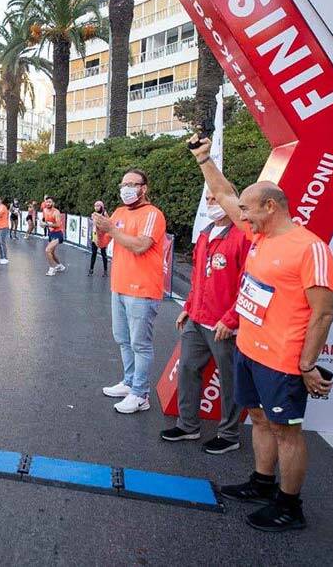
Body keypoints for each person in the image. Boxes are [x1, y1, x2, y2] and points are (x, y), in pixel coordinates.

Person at [189, 136, 333, 532]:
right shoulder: (260, 236)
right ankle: (261, 482)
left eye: (248, 212)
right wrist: (204, 159)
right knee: (257, 418)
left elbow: (323, 314)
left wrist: (307, 365)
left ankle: (289, 506)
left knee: (287, 432)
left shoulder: (310, 248)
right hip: (249, 352)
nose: (242, 218)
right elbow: (223, 193)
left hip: (283, 361)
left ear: (270, 207)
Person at [164, 188, 250, 454]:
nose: (213, 203)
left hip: (224, 325)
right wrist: (188, 308)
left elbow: (248, 284)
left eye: (218, 198)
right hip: (197, 320)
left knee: (229, 379)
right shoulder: (204, 234)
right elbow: (198, 278)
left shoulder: (242, 237)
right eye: (209, 199)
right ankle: (188, 425)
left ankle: (229, 434)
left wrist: (231, 319)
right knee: (188, 368)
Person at [93, 170, 166, 414]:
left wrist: (110, 229)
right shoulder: (119, 212)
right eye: (123, 184)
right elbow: (102, 243)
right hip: (119, 287)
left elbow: (140, 245)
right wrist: (100, 228)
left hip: (142, 290)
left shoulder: (152, 214)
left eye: (132, 184)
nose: (126, 189)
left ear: (144, 188)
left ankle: (140, 394)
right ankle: (129, 382)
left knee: (140, 344)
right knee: (122, 339)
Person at [41, 197, 66, 276]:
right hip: (51, 233)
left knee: (47, 250)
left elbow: (58, 224)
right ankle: (60, 266)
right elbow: (44, 220)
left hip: (58, 233)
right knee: (52, 252)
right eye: (47, 202)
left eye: (50, 202)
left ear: (53, 203)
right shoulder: (44, 210)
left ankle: (52, 268)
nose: (48, 204)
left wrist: (47, 224)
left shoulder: (56, 212)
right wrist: (42, 223)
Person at [87, 200, 110, 276]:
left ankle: (105, 270)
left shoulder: (105, 214)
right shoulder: (93, 214)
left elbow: (108, 223)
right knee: (94, 253)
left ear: (101, 206)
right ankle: (91, 270)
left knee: (103, 253)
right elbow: (92, 225)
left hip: (102, 236)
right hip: (95, 235)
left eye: (98, 206)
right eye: (95, 206)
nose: (96, 207)